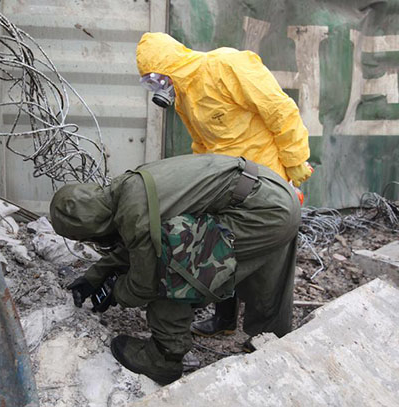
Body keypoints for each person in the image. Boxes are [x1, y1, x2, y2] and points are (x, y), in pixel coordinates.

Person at [50, 154, 300, 385]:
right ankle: (273, 344)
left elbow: (144, 282)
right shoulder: (127, 187)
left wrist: (116, 292)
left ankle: (163, 358)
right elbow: (142, 240)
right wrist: (94, 277)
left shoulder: (134, 214)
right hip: (273, 192)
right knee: (260, 275)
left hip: (263, 214)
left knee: (170, 267)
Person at [136, 32, 312, 336]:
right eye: (150, 81)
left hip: (267, 180)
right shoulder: (185, 97)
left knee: (270, 265)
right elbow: (203, 144)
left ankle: (266, 336)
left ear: (169, 65)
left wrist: (295, 163)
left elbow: (280, 110)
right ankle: (224, 321)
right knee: (222, 247)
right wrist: (202, 183)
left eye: (157, 77)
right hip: (229, 181)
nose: (158, 86)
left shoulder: (226, 65)